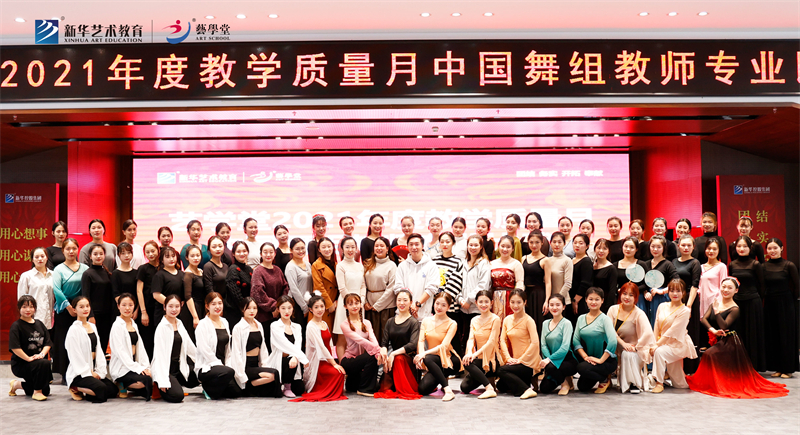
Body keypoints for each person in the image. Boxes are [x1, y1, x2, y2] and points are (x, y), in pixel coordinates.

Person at [686, 277, 789, 398]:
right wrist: (713, 330)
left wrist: (717, 312)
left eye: (730, 288)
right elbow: (704, 319)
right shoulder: (716, 303)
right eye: (724, 287)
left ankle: (720, 383)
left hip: (730, 342)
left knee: (709, 354)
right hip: (719, 339)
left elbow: (724, 325)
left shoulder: (735, 308)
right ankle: (710, 383)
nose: (726, 290)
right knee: (707, 354)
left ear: (736, 291)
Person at [290, 295, 346, 402]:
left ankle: (330, 391)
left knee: (340, 372)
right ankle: (321, 390)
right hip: (318, 362)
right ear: (311, 309)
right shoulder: (311, 326)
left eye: (322, 306)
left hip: (328, 360)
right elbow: (321, 347)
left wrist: (333, 361)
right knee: (337, 373)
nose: (320, 309)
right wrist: (334, 364)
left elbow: (330, 345)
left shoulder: (324, 323)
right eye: (316, 307)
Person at [65, 296, 119, 403]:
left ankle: (91, 390)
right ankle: (75, 387)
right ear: (74, 310)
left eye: (87, 306)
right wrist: (88, 372)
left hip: (93, 370)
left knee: (113, 390)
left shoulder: (92, 326)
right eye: (81, 307)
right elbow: (75, 356)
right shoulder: (73, 330)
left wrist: (99, 371)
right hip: (80, 372)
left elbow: (99, 350)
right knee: (101, 389)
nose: (85, 309)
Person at [649, 279, 697, 393]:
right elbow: (656, 326)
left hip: (678, 345)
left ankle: (659, 383)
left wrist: (657, 345)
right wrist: (654, 343)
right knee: (680, 384)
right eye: (672, 290)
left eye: (678, 291)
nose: (675, 294)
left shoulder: (685, 311)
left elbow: (672, 331)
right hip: (663, 343)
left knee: (659, 352)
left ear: (683, 293)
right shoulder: (662, 306)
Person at [607, 283, 655, 393]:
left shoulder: (639, 313)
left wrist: (637, 347)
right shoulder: (613, 310)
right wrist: (623, 344)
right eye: (624, 294)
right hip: (616, 347)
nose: (627, 297)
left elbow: (648, 333)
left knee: (628, 353)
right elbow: (609, 330)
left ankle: (634, 384)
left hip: (634, 350)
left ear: (636, 297)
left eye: (631, 295)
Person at [151, 294, 200, 403]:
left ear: (181, 306)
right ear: (164, 307)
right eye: (170, 306)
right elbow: (160, 356)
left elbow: (190, 347)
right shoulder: (161, 328)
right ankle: (158, 385)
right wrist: (163, 380)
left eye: (177, 306)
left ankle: (176, 382)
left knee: (203, 375)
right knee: (177, 396)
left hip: (179, 368)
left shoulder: (179, 323)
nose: (174, 309)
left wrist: (202, 363)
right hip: (166, 371)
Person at [52, 238, 89, 381]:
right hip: (64, 311)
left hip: (81, 310)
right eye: (68, 249)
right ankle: (64, 373)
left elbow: (87, 289)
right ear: (63, 251)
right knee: (64, 342)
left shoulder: (85, 268)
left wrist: (81, 308)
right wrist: (68, 307)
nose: (71, 251)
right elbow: (57, 289)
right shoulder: (58, 269)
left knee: (80, 342)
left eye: (74, 248)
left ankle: (80, 372)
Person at [230, 298, 281, 397]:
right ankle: (248, 386)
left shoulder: (258, 325)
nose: (252, 311)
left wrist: (265, 366)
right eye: (248, 308)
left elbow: (263, 349)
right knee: (272, 375)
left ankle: (251, 386)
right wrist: (241, 375)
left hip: (256, 364)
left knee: (274, 375)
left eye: (254, 308)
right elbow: (236, 353)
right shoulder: (238, 327)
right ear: (243, 309)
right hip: (246, 366)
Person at [728, 236, 766, 371]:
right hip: (737, 303)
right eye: (739, 246)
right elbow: (731, 285)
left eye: (745, 246)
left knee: (753, 334)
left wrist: (758, 300)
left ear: (750, 248)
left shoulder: (755, 264)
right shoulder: (732, 264)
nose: (741, 249)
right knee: (738, 334)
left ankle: (754, 365)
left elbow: (762, 286)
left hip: (753, 303)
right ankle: (739, 365)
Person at [194, 292, 242, 399]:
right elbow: (204, 349)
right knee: (228, 372)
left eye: (220, 303)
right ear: (207, 306)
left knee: (236, 392)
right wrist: (219, 364)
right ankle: (208, 388)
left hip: (224, 368)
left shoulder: (225, 322)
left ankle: (214, 388)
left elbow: (228, 349)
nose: (217, 307)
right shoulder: (202, 324)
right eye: (213, 304)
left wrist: (227, 364)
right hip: (208, 366)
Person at [375, 290, 422, 400]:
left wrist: (393, 354)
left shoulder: (414, 322)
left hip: (408, 359)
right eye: (399, 300)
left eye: (405, 300)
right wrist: (384, 352)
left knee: (398, 358)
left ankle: (404, 387)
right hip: (394, 359)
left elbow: (412, 345)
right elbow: (384, 343)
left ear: (411, 303)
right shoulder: (390, 321)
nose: (401, 303)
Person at [414, 292, 461, 401]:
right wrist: (420, 355)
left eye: (443, 305)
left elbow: (444, 346)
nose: (439, 307)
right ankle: (442, 378)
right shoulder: (426, 321)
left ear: (448, 307)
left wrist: (423, 354)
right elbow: (421, 341)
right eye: (437, 303)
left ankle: (448, 390)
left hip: (449, 359)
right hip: (432, 360)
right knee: (423, 389)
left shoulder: (452, 323)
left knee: (428, 358)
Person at [763, 238, 799, 378]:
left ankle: (788, 369)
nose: (772, 251)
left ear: (782, 248)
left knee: (786, 336)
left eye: (775, 248)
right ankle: (777, 367)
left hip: (786, 304)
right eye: (769, 248)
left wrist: (791, 302)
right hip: (770, 304)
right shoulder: (763, 266)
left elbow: (797, 287)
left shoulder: (789, 265)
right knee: (774, 335)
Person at [496, 289, 540, 399]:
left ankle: (527, 390)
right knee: (500, 386)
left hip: (527, 362)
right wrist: (508, 358)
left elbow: (535, 343)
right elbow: (502, 340)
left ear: (525, 302)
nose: (515, 306)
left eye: (519, 302)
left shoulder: (529, 320)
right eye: (512, 302)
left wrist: (521, 360)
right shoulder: (507, 320)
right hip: (515, 362)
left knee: (501, 370)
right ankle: (524, 385)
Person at [572, 287, 617, 393]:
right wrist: (586, 357)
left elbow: (613, 342)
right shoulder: (581, 318)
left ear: (602, 301)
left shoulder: (605, 319)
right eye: (591, 299)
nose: (593, 302)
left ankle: (604, 379)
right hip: (589, 360)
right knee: (582, 387)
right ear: (586, 300)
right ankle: (603, 377)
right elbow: (575, 341)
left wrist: (600, 360)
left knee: (581, 368)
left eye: (597, 299)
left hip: (605, 361)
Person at [8, 295, 52, 401]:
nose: (28, 310)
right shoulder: (16, 326)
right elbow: (14, 347)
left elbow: (48, 343)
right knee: (44, 363)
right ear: (19, 308)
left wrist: (41, 354)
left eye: (31, 307)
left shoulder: (39, 324)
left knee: (46, 391)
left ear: (35, 308)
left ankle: (16, 385)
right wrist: (28, 358)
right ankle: (37, 392)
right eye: (24, 307)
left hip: (38, 361)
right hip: (22, 363)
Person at [108, 293, 152, 400]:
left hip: (134, 364)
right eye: (124, 305)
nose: (127, 308)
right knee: (145, 381)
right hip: (122, 367)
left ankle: (131, 386)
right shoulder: (117, 326)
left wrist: (146, 367)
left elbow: (140, 348)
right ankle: (121, 383)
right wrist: (138, 368)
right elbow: (120, 353)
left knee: (152, 376)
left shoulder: (133, 324)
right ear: (118, 306)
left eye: (130, 305)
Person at [460, 290, 502, 398]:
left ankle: (489, 388)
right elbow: (470, 339)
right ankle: (485, 380)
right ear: (476, 303)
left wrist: (474, 355)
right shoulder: (474, 320)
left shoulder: (495, 319)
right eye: (481, 302)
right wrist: (469, 353)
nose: (483, 305)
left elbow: (491, 342)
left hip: (492, 359)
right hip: (479, 359)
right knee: (464, 387)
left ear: (491, 302)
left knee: (468, 363)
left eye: (486, 302)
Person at [340, 294, 383, 396]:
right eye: (350, 304)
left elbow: (373, 339)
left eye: (357, 303)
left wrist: (378, 350)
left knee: (376, 386)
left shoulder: (367, 323)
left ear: (360, 304)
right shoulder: (344, 324)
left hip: (361, 360)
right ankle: (364, 390)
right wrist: (378, 351)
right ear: (345, 306)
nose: (354, 306)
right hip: (349, 360)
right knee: (372, 356)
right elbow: (361, 341)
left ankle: (354, 384)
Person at [432, 231, 467, 354]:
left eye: (448, 241)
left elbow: (456, 283)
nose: (445, 244)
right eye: (442, 242)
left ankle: (457, 362)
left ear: (453, 243)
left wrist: (444, 301)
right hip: (436, 305)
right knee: (438, 336)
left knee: (453, 337)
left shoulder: (459, 262)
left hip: (451, 306)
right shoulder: (434, 261)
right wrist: (437, 302)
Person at [267, 296, 308, 398]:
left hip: (292, 362)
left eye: (289, 308)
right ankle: (286, 387)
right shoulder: (274, 325)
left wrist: (295, 357)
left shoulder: (297, 327)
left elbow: (298, 344)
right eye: (283, 308)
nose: (286, 311)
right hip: (280, 360)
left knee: (299, 389)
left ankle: (288, 385)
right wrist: (302, 357)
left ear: (293, 309)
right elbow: (284, 344)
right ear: (278, 309)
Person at [251, 242, 290, 349]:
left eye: (271, 252)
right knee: (267, 346)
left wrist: (280, 306)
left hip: (279, 314)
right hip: (265, 316)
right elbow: (258, 293)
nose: (268, 255)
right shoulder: (258, 271)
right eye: (265, 252)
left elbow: (285, 287)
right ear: (261, 254)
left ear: (275, 253)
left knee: (280, 345)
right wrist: (274, 307)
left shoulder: (277, 270)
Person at [673, 234, 702, 371]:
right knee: (676, 332)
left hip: (690, 300)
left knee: (690, 332)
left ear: (693, 247)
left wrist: (688, 306)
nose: (686, 247)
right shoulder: (673, 262)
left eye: (689, 245)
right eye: (683, 245)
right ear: (678, 246)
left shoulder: (695, 263)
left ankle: (691, 368)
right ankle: (676, 367)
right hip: (675, 299)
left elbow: (695, 285)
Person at [538, 294, 578, 395]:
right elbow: (543, 345)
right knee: (544, 388)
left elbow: (565, 347)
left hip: (567, 360)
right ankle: (566, 378)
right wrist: (548, 359)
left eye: (558, 305)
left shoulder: (566, 323)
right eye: (551, 305)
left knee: (550, 367)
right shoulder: (545, 323)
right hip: (551, 361)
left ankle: (565, 384)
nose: (554, 308)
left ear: (563, 307)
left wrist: (549, 360)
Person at [333, 236, 366, 356]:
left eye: (353, 247)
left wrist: (360, 302)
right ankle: (343, 365)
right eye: (347, 247)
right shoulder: (340, 266)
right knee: (342, 338)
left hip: (359, 305)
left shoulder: (360, 266)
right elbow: (342, 288)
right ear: (342, 249)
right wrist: (351, 304)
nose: (350, 250)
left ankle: (357, 363)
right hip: (345, 305)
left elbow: (363, 285)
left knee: (359, 337)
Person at [394, 233, 439, 320]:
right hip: (404, 313)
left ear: (422, 246)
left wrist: (417, 304)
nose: (414, 247)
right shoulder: (402, 266)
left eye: (417, 244)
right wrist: (409, 306)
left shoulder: (431, 265)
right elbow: (398, 288)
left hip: (424, 315)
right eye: (411, 244)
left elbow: (432, 288)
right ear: (407, 246)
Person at [459, 234, 491, 353]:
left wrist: (468, 300)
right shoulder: (463, 262)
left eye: (476, 245)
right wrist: (460, 299)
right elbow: (457, 283)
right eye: (470, 245)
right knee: (464, 339)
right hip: (462, 308)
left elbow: (483, 285)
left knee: (476, 339)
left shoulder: (484, 263)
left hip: (477, 308)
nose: (473, 247)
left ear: (481, 247)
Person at [363, 236, 398, 344]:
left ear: (387, 248)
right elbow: (363, 284)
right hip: (369, 307)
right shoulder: (368, 263)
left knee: (384, 338)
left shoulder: (392, 265)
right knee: (370, 337)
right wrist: (365, 302)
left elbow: (391, 288)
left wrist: (378, 305)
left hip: (386, 307)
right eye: (376, 246)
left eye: (382, 246)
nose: (379, 248)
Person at [81, 244, 115, 354]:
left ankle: (102, 363)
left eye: (101, 254)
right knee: (93, 344)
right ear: (90, 256)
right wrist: (90, 315)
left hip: (107, 314)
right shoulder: (87, 274)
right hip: (95, 314)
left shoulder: (107, 272)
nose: (98, 256)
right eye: (95, 254)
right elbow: (85, 296)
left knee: (104, 342)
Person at [642, 236, 680, 327]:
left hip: (661, 298)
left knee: (660, 324)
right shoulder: (646, 264)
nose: (655, 249)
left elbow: (677, 281)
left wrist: (661, 291)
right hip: (647, 298)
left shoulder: (668, 264)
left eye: (659, 247)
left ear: (664, 248)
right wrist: (645, 292)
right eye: (653, 246)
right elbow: (642, 282)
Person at [698, 238, 728, 349]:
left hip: (714, 302)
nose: (711, 251)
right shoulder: (700, 267)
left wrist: (718, 305)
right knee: (703, 326)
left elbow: (723, 286)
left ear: (719, 251)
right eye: (709, 248)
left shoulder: (721, 266)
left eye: (714, 249)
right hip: (702, 301)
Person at [150, 246, 185, 335]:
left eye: (173, 256)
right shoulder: (159, 275)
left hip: (179, 313)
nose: (171, 259)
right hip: (163, 313)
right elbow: (156, 295)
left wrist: (177, 307)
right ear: (162, 260)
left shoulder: (182, 274)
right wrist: (171, 306)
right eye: (167, 257)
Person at [489, 235, 525, 319]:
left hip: (510, 298)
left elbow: (520, 283)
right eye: (502, 246)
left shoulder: (516, 264)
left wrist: (517, 300)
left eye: (508, 247)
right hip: (494, 297)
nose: (505, 249)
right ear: (498, 246)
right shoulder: (491, 264)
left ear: (512, 249)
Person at [522, 232, 551, 334]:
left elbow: (548, 282)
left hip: (539, 294)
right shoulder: (523, 258)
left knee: (538, 322)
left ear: (542, 242)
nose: (534, 245)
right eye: (531, 242)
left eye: (537, 242)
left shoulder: (545, 260)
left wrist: (547, 300)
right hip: (526, 294)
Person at [17, 247, 53, 329]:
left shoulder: (53, 275)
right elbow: (21, 299)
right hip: (33, 317)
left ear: (47, 258)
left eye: (42, 256)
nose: (40, 259)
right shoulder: (26, 276)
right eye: (36, 257)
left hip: (50, 318)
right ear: (32, 260)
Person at [136, 241, 160, 358]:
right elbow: (139, 291)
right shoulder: (143, 269)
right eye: (147, 252)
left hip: (160, 308)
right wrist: (143, 312)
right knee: (147, 339)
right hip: (147, 308)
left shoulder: (163, 267)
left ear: (158, 251)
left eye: (153, 251)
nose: (150, 254)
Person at [310, 237, 338, 330]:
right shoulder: (316, 265)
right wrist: (329, 304)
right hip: (323, 304)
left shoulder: (336, 264)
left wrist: (337, 301)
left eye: (329, 246)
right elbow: (319, 287)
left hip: (336, 303)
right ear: (319, 249)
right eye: (323, 247)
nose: (327, 249)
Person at [285, 238, 312, 329]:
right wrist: (304, 307)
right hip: (297, 305)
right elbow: (294, 289)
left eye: (303, 248)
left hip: (309, 303)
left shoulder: (308, 264)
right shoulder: (290, 267)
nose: (301, 251)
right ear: (291, 250)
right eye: (297, 249)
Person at [614, 236, 647, 309]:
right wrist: (620, 290)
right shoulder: (615, 265)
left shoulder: (641, 264)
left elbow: (646, 283)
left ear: (636, 249)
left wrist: (632, 291)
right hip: (620, 298)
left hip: (637, 299)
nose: (628, 249)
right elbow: (612, 284)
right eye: (626, 246)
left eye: (632, 247)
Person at [226, 241, 253, 327]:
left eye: (244, 251)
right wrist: (245, 308)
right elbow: (235, 294)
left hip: (247, 310)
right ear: (233, 254)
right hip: (235, 312)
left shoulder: (249, 269)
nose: (242, 254)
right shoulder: (233, 269)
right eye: (238, 251)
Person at [204, 236, 231, 318]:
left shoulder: (226, 266)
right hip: (215, 306)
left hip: (226, 304)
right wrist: (217, 305)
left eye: (220, 246)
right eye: (214, 247)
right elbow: (209, 289)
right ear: (209, 249)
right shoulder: (208, 266)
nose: (218, 249)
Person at [548, 232, 573, 319]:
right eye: (554, 242)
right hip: (550, 304)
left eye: (559, 242)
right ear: (550, 243)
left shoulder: (567, 260)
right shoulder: (547, 260)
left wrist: (558, 300)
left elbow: (568, 284)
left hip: (563, 303)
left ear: (564, 244)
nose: (557, 244)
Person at [570, 234, 593, 320]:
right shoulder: (571, 260)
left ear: (587, 246)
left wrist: (576, 300)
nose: (577, 245)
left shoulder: (586, 261)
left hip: (580, 300)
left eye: (581, 243)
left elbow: (586, 283)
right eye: (575, 243)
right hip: (571, 297)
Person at [183, 245, 206, 332]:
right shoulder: (188, 274)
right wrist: (195, 317)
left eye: (198, 255)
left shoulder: (201, 271)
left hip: (201, 307)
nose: (195, 258)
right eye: (192, 256)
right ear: (187, 257)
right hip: (192, 310)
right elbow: (188, 296)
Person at [592, 239, 618, 313]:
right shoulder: (591, 266)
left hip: (605, 304)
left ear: (609, 251)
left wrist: (607, 307)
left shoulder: (611, 268)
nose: (601, 251)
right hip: (592, 302)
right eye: (599, 248)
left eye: (604, 248)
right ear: (594, 249)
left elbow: (612, 291)